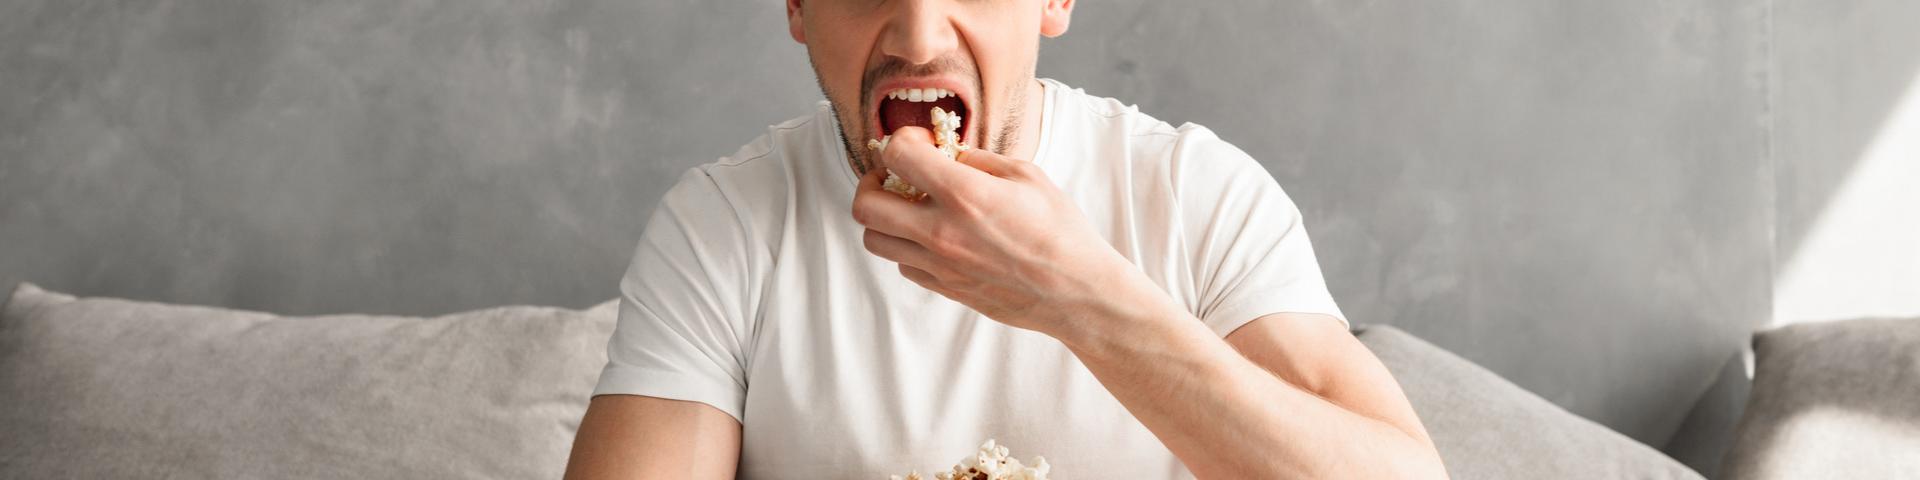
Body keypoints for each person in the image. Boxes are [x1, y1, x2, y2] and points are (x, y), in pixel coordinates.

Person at [564, 0, 1446, 478]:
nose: (918, 33)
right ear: (796, 5)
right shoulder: (722, 227)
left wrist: (1081, 299)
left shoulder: (1194, 197)